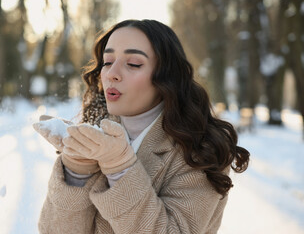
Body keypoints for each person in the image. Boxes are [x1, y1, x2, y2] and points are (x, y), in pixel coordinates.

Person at [34, 19, 250, 234]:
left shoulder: (200, 150)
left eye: (134, 64)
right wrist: (76, 170)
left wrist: (120, 167)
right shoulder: (95, 135)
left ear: (166, 76)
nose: (111, 73)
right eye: (108, 62)